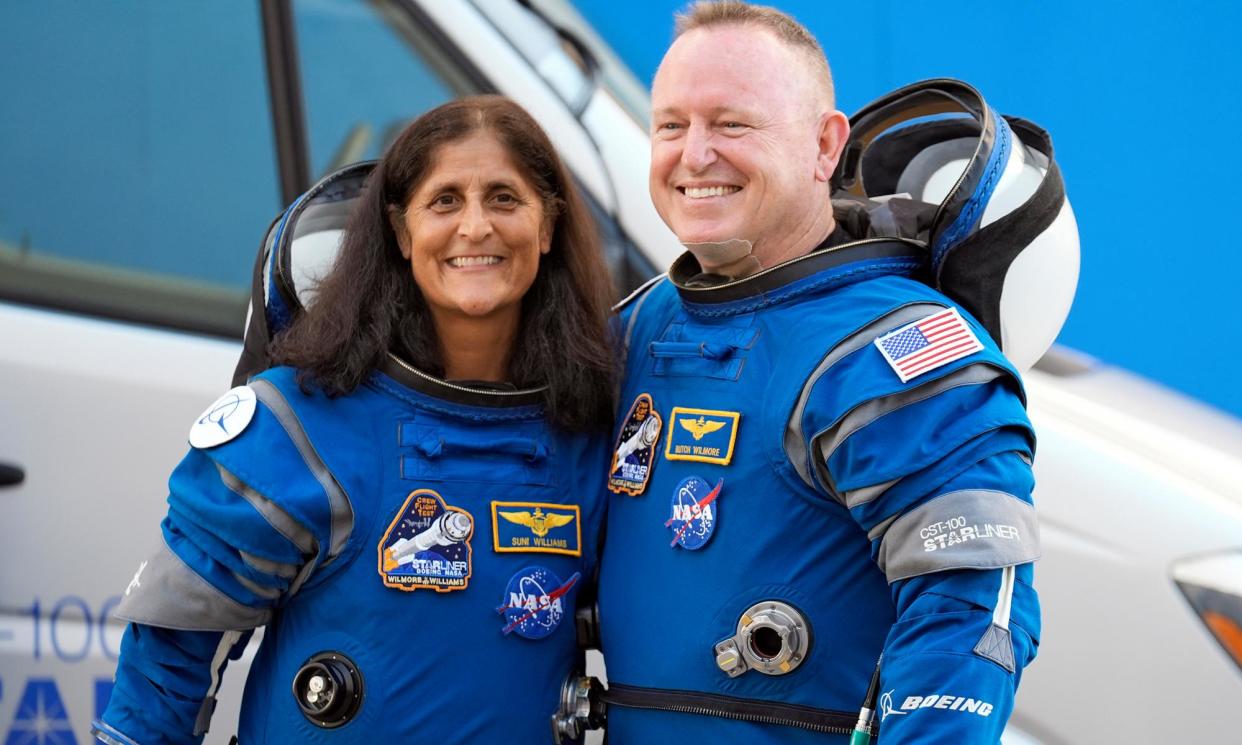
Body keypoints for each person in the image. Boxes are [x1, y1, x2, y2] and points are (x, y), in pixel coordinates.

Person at [92, 95, 616, 744]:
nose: (476, 226)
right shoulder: (297, 426)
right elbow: (166, 661)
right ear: (400, 231)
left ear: (548, 226)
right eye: (445, 200)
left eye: (504, 198)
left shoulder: (588, 436)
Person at [595, 3, 1042, 743]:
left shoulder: (897, 347)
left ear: (824, 145)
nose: (695, 154)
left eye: (732, 124)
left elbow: (972, 612)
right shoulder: (639, 325)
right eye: (671, 126)